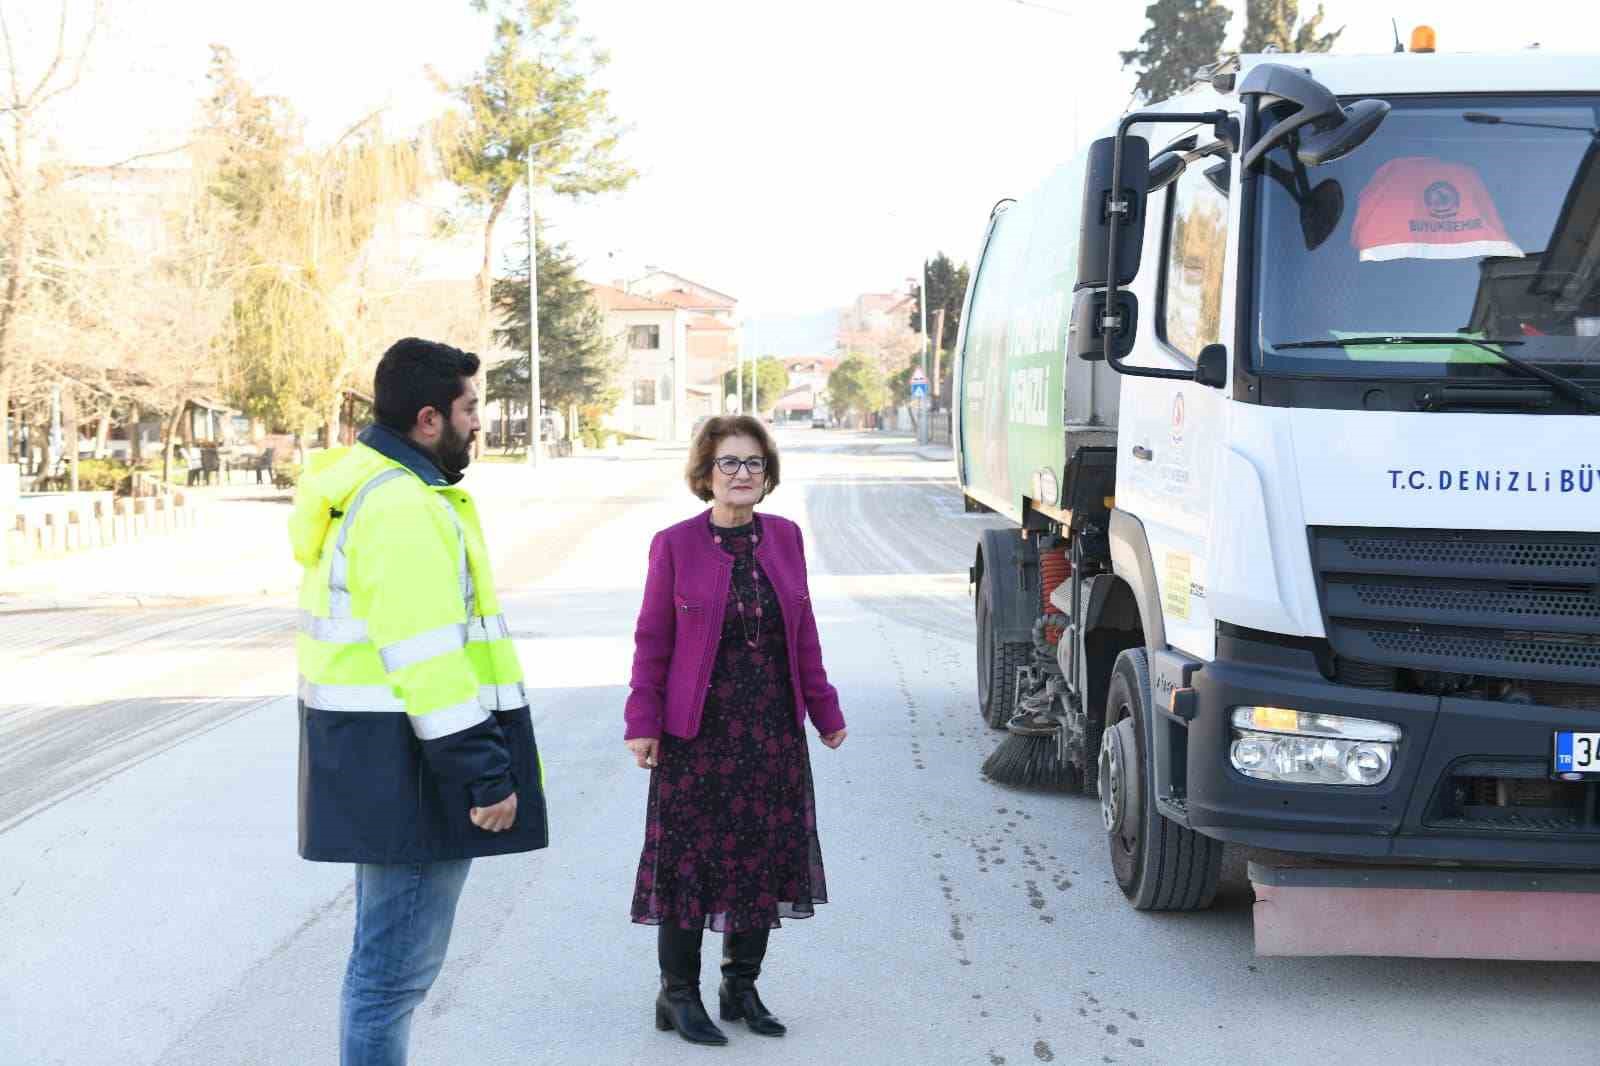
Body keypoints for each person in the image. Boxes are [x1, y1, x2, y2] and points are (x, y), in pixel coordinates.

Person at [289, 337, 548, 1065]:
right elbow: (427, 660)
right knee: (390, 979)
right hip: (413, 768)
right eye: (471, 409)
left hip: (385, 759)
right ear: (429, 418)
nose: (479, 424)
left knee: (382, 971)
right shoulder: (401, 506)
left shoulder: (374, 488)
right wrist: (484, 775)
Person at [624, 414, 847, 1046]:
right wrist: (642, 722)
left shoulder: (786, 538)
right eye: (729, 463)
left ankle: (739, 986)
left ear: (767, 474)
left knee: (761, 861)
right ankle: (678, 996)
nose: (742, 474)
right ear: (706, 473)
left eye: (753, 463)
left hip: (771, 732)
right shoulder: (674, 545)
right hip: (698, 736)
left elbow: (803, 634)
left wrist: (825, 712)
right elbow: (652, 641)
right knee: (689, 866)